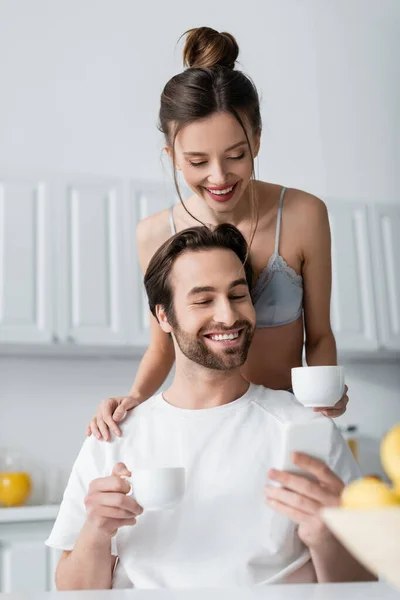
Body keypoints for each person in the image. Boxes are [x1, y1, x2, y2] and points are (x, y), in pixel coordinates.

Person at [47, 225, 372, 590]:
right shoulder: (113, 434)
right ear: (164, 317)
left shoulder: (305, 429)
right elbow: (71, 592)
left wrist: (327, 536)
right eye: (203, 300)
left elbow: (369, 586)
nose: (229, 316)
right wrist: (96, 530)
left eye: (238, 295)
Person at [87, 26, 349, 442]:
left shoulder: (303, 215)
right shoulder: (155, 234)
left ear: (257, 141)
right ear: (171, 156)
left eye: (235, 156)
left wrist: (324, 401)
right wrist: (131, 399)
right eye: (196, 161)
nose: (219, 177)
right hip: (200, 429)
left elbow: (318, 335)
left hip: (285, 426)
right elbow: (161, 346)